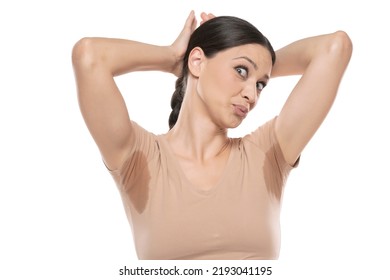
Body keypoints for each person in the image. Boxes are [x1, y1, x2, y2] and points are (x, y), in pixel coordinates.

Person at [71, 11, 352, 260]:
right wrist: (172, 58)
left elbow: (334, 47)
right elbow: (89, 56)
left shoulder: (268, 154)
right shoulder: (138, 157)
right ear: (197, 62)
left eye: (261, 85)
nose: (252, 95)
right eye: (240, 71)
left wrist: (258, 61)